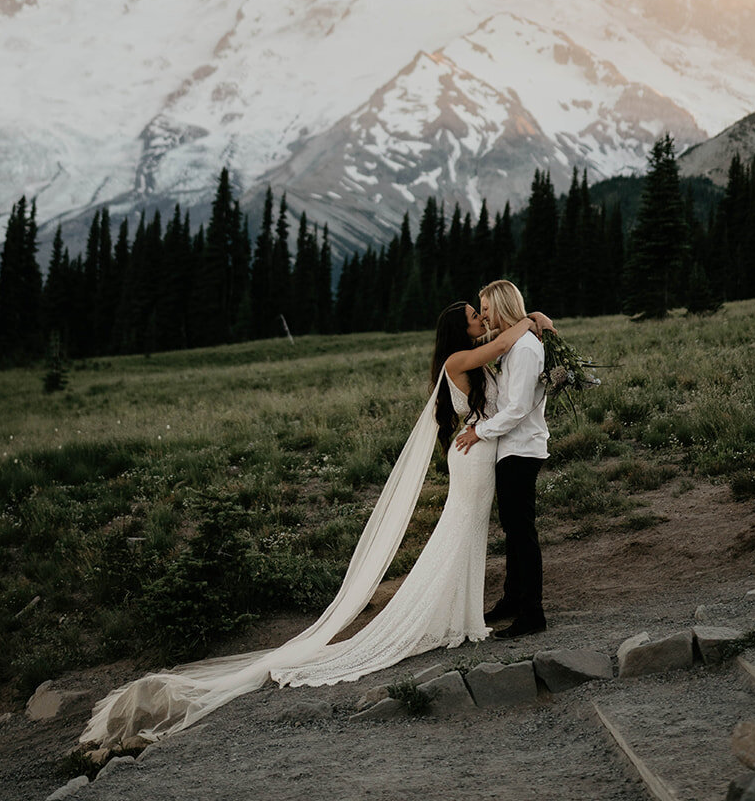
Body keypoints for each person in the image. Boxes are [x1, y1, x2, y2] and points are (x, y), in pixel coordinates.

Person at [81, 299, 552, 749]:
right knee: (459, 534)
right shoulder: (459, 357)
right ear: (459, 328)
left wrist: (529, 326)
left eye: (480, 313)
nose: (480, 318)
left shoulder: (471, 354)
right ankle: (454, 614)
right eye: (474, 315)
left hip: (480, 450)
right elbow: (499, 344)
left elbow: (500, 345)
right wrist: (530, 320)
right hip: (473, 455)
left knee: (466, 534)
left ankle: (466, 611)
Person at [455, 277, 548, 638]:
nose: (486, 316)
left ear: (503, 305)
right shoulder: (510, 345)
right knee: (513, 529)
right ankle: (512, 598)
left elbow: (519, 408)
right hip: (511, 447)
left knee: (522, 531)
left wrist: (481, 431)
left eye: (489, 308)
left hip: (521, 447)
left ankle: (532, 612)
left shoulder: (524, 349)